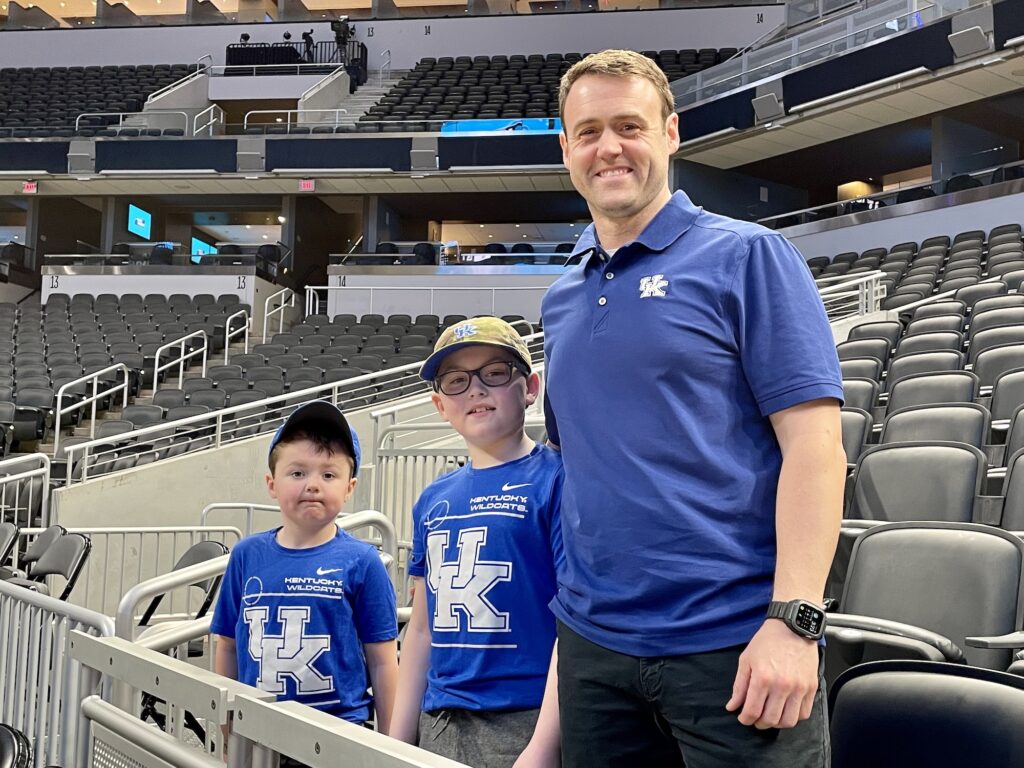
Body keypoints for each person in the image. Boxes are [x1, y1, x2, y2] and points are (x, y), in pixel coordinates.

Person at [542, 49, 846, 767]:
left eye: (629, 126)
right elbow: (583, 471)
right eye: (588, 132)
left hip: (734, 649)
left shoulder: (749, 256)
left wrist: (795, 621)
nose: (608, 147)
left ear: (670, 134)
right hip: (594, 653)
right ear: (565, 149)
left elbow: (816, 449)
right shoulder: (561, 297)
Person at [391, 317, 564, 768]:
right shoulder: (433, 499)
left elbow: (575, 623)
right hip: (440, 719)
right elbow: (422, 629)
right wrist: (394, 740)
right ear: (438, 403)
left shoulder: (558, 480)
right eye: (456, 380)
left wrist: (542, 748)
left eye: (495, 373)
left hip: (524, 719)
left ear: (530, 387)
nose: (475, 389)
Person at [211, 401, 399, 763]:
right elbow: (227, 645)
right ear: (271, 483)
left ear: (349, 488)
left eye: (329, 475)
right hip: (259, 734)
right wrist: (227, 721)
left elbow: (383, 662)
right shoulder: (246, 555)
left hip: (337, 738)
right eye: (297, 473)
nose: (313, 485)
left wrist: (391, 747)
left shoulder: (363, 562)